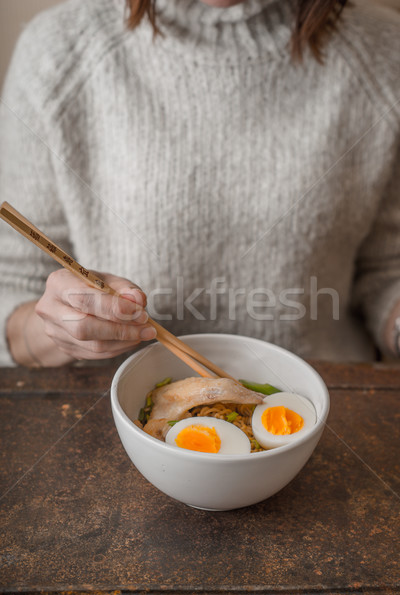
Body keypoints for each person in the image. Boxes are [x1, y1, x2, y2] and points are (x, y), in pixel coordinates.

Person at [0, 0, 399, 368]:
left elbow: (387, 271)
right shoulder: (58, 51)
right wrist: (58, 333)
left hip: (329, 406)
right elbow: (12, 295)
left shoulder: (385, 52)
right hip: (108, 415)